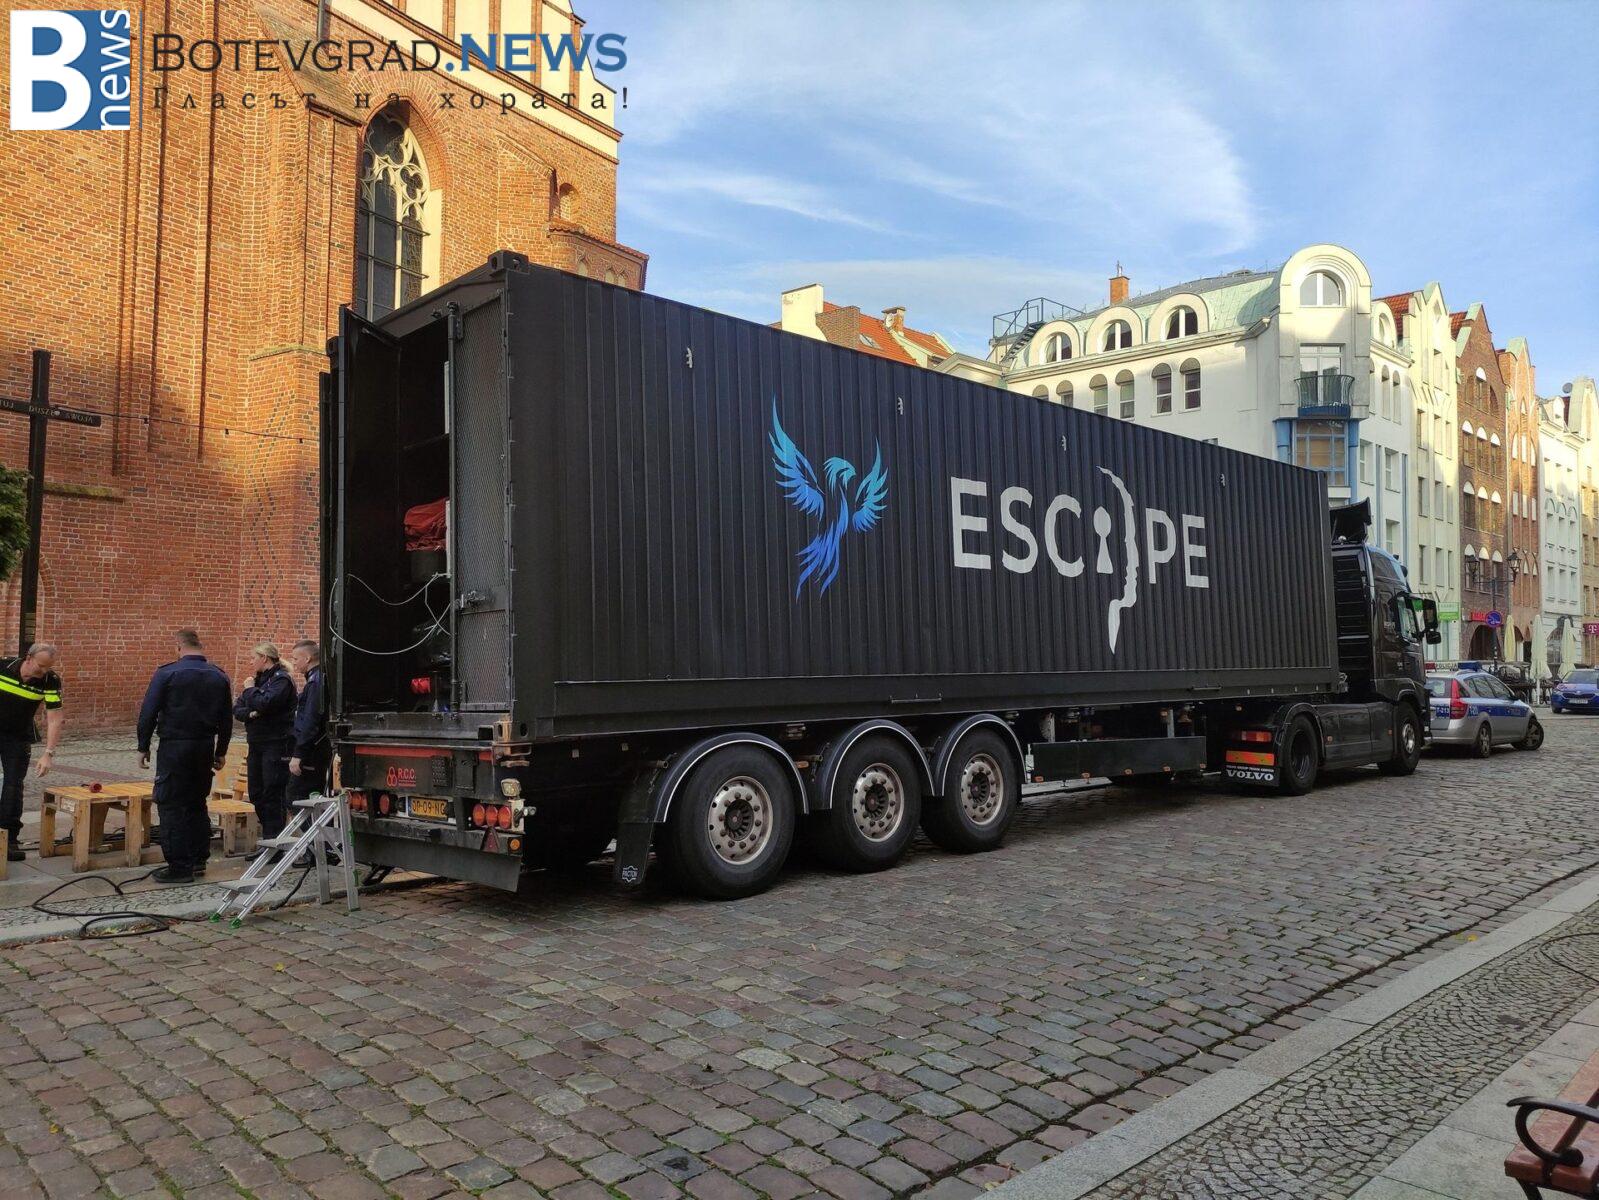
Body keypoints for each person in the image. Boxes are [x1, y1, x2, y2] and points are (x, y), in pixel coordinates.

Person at [137, 630, 232, 883]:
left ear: (178, 647)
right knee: (196, 802)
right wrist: (221, 751)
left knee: (171, 804)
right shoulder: (219, 675)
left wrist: (143, 746)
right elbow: (226, 718)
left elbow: (148, 712)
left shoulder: (167, 673)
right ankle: (199, 859)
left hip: (175, 746)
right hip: (204, 746)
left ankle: (179, 867)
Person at [0, 643, 65, 862]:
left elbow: (55, 719)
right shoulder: (3, 667)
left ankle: (9, 840)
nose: (44, 671)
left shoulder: (50, 680)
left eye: (48, 667)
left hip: (18, 737)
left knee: (13, 785)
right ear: (28, 658)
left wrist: (48, 753)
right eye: (41, 666)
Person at [233, 642, 295, 849]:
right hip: (256, 743)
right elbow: (237, 708)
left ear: (264, 658)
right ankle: (269, 841)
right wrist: (251, 713)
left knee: (272, 793)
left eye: (254, 658)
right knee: (257, 793)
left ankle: (274, 843)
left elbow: (265, 703)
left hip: (276, 743)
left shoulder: (281, 680)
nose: (251, 662)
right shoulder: (257, 681)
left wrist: (251, 691)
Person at [287, 639, 330, 803]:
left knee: (298, 798)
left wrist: (299, 754)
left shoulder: (315, 682)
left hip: (311, 753)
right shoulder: (318, 679)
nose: (293, 663)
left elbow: (311, 720)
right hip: (314, 749)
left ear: (307, 658)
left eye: (295, 658)